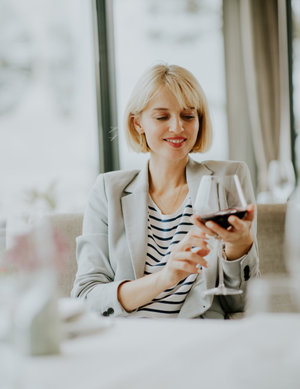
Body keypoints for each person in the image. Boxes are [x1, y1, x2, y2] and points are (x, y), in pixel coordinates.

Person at [71, 63, 258, 319]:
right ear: (138, 124)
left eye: (188, 116)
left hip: (199, 341)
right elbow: (86, 297)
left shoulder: (228, 180)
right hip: (128, 341)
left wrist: (239, 247)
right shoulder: (108, 191)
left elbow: (240, 305)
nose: (177, 127)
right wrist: (165, 278)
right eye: (162, 117)